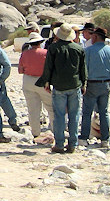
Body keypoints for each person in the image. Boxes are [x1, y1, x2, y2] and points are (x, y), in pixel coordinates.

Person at [37, 23, 86, 154]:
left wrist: (46, 82)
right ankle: (73, 143)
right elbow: (83, 69)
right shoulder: (78, 48)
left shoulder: (53, 48)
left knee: (58, 115)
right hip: (75, 85)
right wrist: (84, 84)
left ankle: (59, 144)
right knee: (74, 115)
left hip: (59, 86)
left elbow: (48, 67)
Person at [79, 26, 110, 148]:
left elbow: (84, 69)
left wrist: (82, 84)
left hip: (91, 84)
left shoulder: (88, 51)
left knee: (87, 112)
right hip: (105, 83)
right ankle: (105, 139)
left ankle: (84, 137)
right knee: (104, 112)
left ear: (95, 37)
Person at [18, 32, 54, 140]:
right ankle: (54, 129)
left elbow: (20, 70)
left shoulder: (25, 54)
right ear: (40, 43)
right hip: (42, 80)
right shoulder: (46, 53)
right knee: (51, 107)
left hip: (28, 80)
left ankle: (35, 133)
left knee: (33, 108)